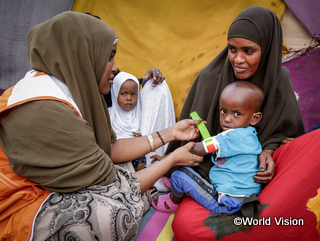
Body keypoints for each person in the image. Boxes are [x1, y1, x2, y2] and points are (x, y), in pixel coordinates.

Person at [0, 11, 204, 241]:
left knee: (128, 167)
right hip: (19, 203)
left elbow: (109, 148)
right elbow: (113, 181)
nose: (115, 68)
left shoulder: (75, 87)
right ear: (83, 55)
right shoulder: (47, 110)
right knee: (113, 218)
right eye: (109, 57)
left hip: (62, 181)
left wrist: (170, 133)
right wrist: (173, 158)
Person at [167, 6, 306, 240]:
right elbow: (193, 140)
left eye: (248, 51)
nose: (238, 60)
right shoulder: (210, 78)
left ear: (268, 48)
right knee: (185, 226)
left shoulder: (279, 80)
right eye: (232, 50)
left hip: (258, 184)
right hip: (211, 178)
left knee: (293, 211)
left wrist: (270, 151)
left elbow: (287, 134)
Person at [153, 81, 264, 214]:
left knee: (179, 175)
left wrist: (169, 158)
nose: (227, 119)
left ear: (255, 118)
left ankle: (173, 201)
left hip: (227, 203)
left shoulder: (233, 136)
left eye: (237, 114)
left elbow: (200, 148)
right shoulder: (250, 134)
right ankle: (178, 187)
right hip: (244, 198)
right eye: (223, 111)